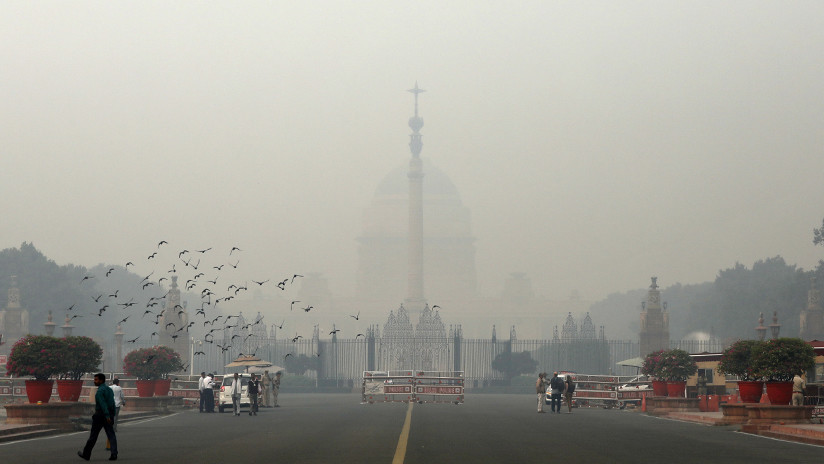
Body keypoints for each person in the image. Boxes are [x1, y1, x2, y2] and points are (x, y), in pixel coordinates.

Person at [78, 373, 118, 461]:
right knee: (111, 434)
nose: (94, 381)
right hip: (109, 414)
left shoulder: (100, 391)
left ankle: (86, 454)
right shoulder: (109, 390)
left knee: (93, 436)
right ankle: (114, 453)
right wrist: (112, 414)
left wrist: (107, 415)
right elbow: (112, 403)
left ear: (101, 380)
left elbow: (103, 404)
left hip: (100, 415)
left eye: (96, 380)